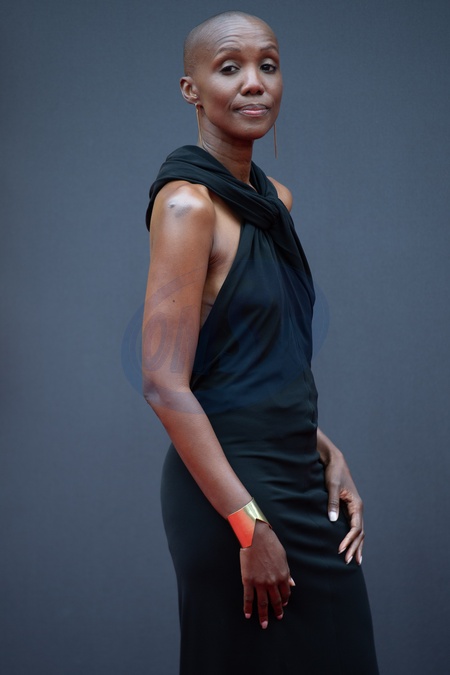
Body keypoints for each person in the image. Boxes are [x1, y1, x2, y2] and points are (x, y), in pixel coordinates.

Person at [142, 11, 379, 675]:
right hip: (229, 499)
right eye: (230, 68)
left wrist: (321, 445)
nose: (254, 83)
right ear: (191, 89)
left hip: (296, 477)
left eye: (267, 66)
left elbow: (251, 364)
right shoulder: (186, 207)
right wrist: (248, 525)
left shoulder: (276, 203)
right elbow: (164, 382)